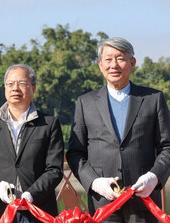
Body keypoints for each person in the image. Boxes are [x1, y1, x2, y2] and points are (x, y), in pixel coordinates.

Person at [67, 37, 170, 222]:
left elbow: (167, 146)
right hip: (103, 205)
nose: (114, 65)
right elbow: (75, 153)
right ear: (100, 65)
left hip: (144, 201)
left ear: (132, 63)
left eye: (120, 58)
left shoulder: (153, 99)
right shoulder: (85, 102)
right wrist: (94, 182)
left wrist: (154, 177)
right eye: (108, 59)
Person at [0, 64, 64, 222]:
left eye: (22, 83)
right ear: (4, 88)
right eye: (10, 84)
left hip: (38, 210)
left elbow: (54, 170)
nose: (15, 88)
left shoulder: (49, 124)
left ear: (33, 88)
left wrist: (31, 195)